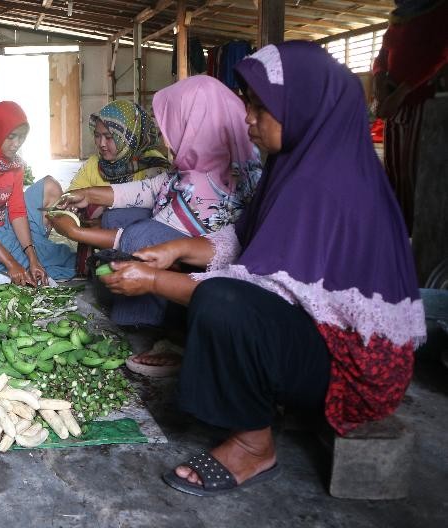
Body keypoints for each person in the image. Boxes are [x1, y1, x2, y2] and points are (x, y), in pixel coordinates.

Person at [99, 41, 425, 495]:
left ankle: (253, 446)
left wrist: (155, 279)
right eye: (248, 105)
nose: (247, 118)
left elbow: (259, 295)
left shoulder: (328, 185)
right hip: (315, 338)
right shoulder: (294, 163)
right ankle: (234, 380)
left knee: (220, 301)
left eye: (260, 108)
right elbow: (243, 240)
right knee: (198, 291)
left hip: (352, 370)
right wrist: (175, 251)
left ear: (304, 108)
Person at [53, 76, 260, 334]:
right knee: (117, 218)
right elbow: (151, 188)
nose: (165, 138)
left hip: (204, 279)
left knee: (141, 234)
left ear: (197, 124)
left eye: (173, 125)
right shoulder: (201, 165)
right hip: (184, 254)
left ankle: (145, 322)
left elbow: (146, 237)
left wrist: (75, 233)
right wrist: (89, 194)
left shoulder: (208, 186)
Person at [0, 101, 76, 284]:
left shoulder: (14, 163)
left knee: (41, 258)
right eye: (11, 137)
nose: (16, 144)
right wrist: (11, 263)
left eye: (21, 137)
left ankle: (32, 254)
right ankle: (19, 257)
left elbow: (17, 211)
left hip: (5, 224)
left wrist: (32, 256)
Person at [372, 0, 448, 235]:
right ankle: (399, 230)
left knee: (415, 172)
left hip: (422, 102)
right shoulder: (399, 17)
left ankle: (418, 235)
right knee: (395, 171)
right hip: (396, 104)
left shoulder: (440, 11)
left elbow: (440, 56)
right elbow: (382, 56)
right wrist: (379, 83)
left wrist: (404, 90)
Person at [67, 99, 169, 229]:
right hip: (98, 236)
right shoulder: (94, 164)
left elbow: (160, 214)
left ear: (129, 136)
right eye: (97, 136)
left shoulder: (153, 165)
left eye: (109, 137)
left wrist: (105, 220)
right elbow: (72, 195)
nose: (102, 143)